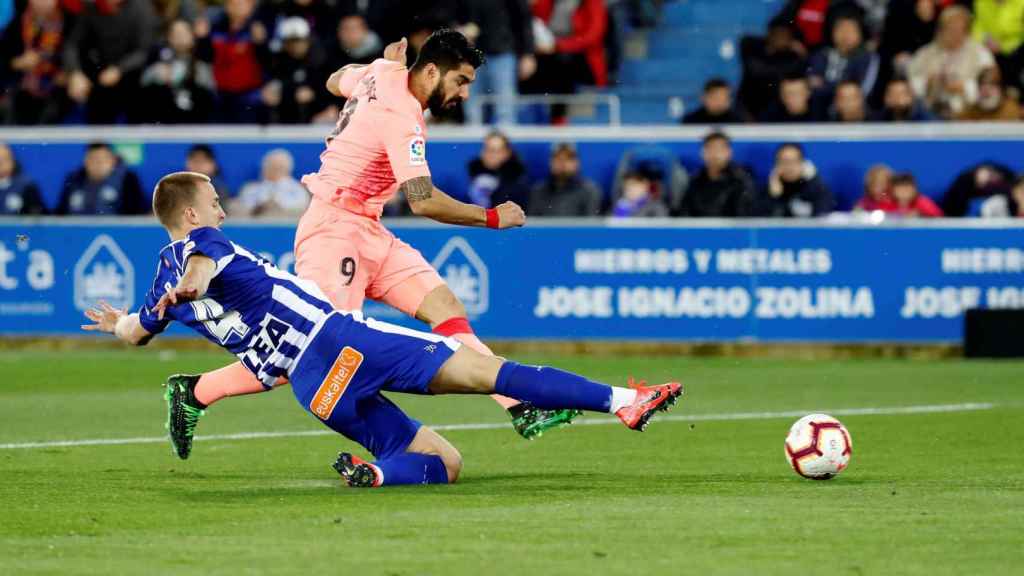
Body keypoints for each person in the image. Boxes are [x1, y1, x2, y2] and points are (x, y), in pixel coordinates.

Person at [81, 171, 683, 486]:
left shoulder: (161, 286)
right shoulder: (199, 248)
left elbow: (137, 332)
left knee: (440, 462)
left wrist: (120, 324)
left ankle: (373, 474)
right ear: (190, 214)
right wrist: (197, 277)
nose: (221, 208)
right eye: (212, 201)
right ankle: (624, 400)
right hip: (342, 344)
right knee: (487, 370)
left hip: (314, 388)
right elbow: (203, 262)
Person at [185, 30, 579, 442]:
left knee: (444, 306)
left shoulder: (382, 72)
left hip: (368, 228)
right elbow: (423, 201)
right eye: (460, 81)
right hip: (332, 231)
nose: (464, 94)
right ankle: (196, 391)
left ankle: (518, 403)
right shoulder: (403, 116)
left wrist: (380, 66)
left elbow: (334, 79)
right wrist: (493, 217)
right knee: (311, 346)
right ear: (430, 71)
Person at [63, 0, 157, 123]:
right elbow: (72, 45)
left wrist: (119, 69)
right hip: (99, 79)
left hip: (134, 80)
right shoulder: (91, 7)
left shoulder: (142, 8)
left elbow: (144, 51)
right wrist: (75, 72)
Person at [906, 5, 996, 118]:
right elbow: (911, 83)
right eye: (949, 28)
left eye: (958, 29)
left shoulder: (981, 54)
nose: (953, 33)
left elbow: (991, 88)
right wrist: (928, 83)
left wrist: (964, 87)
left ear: (966, 31)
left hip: (970, 114)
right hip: (930, 113)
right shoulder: (925, 54)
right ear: (940, 30)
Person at [460, 0, 536, 126]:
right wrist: (459, 30)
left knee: (505, 110)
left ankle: (503, 143)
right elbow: (453, 13)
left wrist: (528, 53)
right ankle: (473, 142)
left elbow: (524, 19)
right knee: (472, 111)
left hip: (503, 52)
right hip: (470, 55)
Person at [197, 0, 271, 123]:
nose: (235, 7)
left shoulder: (257, 30)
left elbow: (268, 62)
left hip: (249, 98)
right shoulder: (216, 29)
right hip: (221, 97)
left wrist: (261, 44)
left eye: (240, 4)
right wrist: (203, 39)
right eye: (231, 3)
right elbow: (206, 58)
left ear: (251, 7)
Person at [1, 0, 68, 125]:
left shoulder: (68, 20)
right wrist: (16, 62)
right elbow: (4, 55)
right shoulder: (16, 21)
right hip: (20, 85)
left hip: (54, 85)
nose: (43, 3)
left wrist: (66, 71)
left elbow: (74, 51)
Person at [140, 19, 216, 124]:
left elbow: (211, 91)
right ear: (169, 38)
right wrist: (156, 74)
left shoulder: (201, 62)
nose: (180, 37)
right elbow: (143, 82)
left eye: (184, 33)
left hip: (194, 122)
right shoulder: (159, 60)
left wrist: (194, 76)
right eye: (176, 34)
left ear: (192, 37)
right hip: (165, 123)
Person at [263, 17, 330, 124]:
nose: (295, 46)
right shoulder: (277, 64)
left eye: (299, 41)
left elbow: (329, 93)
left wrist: (315, 95)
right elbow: (272, 90)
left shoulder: (320, 62)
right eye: (291, 41)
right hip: (283, 121)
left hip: (315, 121)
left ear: (307, 40)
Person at [806, 12, 880, 110]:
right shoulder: (822, 54)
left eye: (850, 30)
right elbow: (812, 84)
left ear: (860, 33)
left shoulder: (868, 58)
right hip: (821, 108)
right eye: (840, 29)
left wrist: (826, 85)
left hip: (856, 110)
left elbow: (862, 90)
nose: (845, 34)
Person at [738, 17, 808, 120]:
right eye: (777, 34)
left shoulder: (792, 58)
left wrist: (804, 56)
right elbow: (756, 71)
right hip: (751, 107)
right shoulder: (753, 50)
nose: (780, 38)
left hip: (780, 111)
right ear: (770, 35)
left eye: (784, 34)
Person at [56, 142, 145, 215]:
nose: (98, 164)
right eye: (93, 159)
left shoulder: (127, 180)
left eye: (103, 160)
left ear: (112, 161)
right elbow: (60, 214)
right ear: (86, 161)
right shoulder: (73, 180)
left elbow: (137, 214)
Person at [680, 132, 755, 217]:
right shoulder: (695, 181)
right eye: (710, 148)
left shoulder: (741, 180)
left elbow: (744, 216)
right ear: (702, 152)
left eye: (719, 149)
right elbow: (684, 213)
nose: (715, 154)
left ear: (729, 152)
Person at [754, 143, 835, 218]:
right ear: (776, 164)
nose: (789, 166)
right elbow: (763, 222)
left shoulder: (818, 189)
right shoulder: (766, 191)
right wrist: (774, 196)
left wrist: (813, 181)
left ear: (803, 163)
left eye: (794, 161)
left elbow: (823, 216)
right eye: (784, 161)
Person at [527, 142, 603, 216]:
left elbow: (591, 224)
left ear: (577, 163)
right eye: (558, 158)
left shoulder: (590, 191)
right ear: (550, 162)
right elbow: (533, 223)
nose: (563, 163)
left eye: (568, 158)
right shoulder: (538, 191)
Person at [231, 149, 309, 218]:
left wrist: (277, 205)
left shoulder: (298, 190)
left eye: (279, 167)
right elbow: (241, 210)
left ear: (287, 169)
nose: (274, 170)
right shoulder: (250, 189)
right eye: (271, 166)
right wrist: (261, 207)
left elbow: (301, 209)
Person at [466, 131, 530, 209]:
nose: (491, 155)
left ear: (507, 153)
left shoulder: (518, 183)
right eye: (487, 150)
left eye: (496, 151)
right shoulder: (472, 177)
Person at [956, 67, 1022, 121]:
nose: (986, 92)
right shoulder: (970, 112)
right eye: (982, 86)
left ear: (1001, 90)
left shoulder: (1012, 111)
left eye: (992, 85)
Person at [0, 143, 47, 215]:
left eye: (5, 159)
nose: (1, 164)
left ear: (12, 161)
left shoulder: (27, 187)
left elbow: (38, 217)